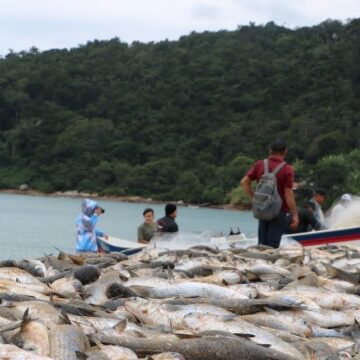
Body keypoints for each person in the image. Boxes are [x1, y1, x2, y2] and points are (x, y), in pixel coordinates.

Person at [240, 138, 299, 248]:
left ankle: (260, 260)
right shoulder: (287, 169)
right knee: (272, 246)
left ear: (270, 150)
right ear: (285, 151)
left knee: (262, 244)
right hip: (279, 211)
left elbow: (244, 182)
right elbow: (288, 195)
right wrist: (295, 215)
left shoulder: (260, 164)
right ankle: (269, 261)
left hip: (262, 208)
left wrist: (254, 198)